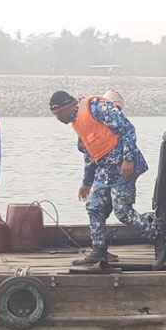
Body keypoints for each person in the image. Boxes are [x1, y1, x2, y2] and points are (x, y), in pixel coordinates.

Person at [49, 90, 156, 265]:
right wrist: (86, 183)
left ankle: (158, 235)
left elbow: (127, 129)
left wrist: (128, 159)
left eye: (59, 114)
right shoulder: (78, 124)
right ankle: (99, 250)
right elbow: (90, 154)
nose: (59, 119)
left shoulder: (96, 107)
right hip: (105, 170)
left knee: (122, 211)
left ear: (68, 106)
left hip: (124, 166)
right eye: (55, 116)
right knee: (94, 206)